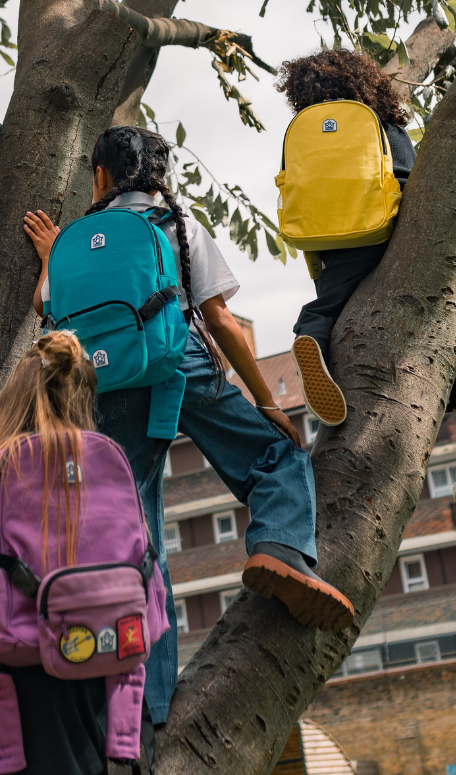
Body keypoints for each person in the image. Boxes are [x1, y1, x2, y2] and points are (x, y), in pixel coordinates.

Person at [24, 126, 354, 729]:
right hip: (180, 366)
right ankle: (279, 547)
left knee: (139, 546)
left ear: (100, 176)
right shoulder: (176, 224)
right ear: (161, 176)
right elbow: (220, 318)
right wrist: (267, 402)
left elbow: (50, 312)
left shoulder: (71, 242)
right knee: (277, 458)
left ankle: (145, 714)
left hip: (102, 391)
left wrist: (51, 256)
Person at [277, 48, 456, 502]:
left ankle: (312, 337)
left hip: (323, 239)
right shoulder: (382, 125)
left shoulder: (303, 132)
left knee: (327, 306)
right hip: (381, 230)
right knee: (438, 326)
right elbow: (411, 177)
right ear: (365, 83)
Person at [0, 332, 130, 775]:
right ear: (83, 400)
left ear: (12, 394)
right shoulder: (100, 470)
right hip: (100, 660)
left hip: (12, 675)